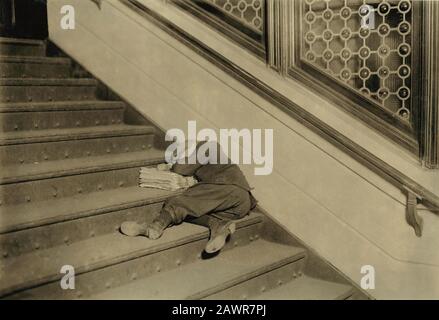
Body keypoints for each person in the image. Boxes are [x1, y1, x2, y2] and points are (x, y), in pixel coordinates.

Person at [120, 140, 257, 253]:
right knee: (193, 212)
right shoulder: (216, 159)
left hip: (228, 189)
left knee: (179, 202)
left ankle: (154, 227)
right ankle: (219, 225)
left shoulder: (207, 145)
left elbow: (181, 168)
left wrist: (173, 164)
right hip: (240, 206)